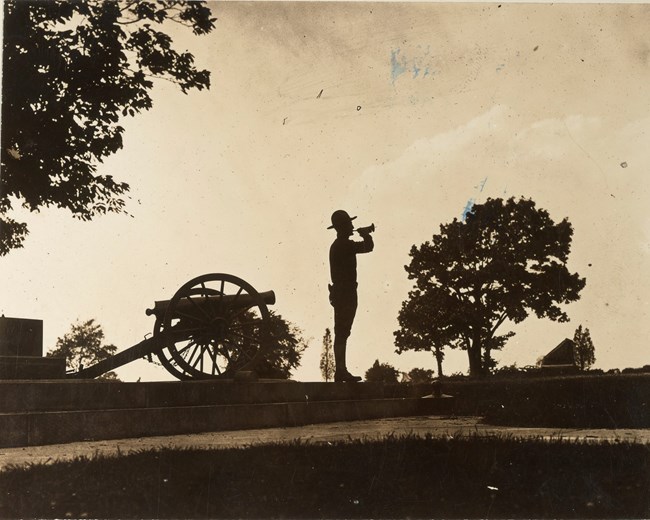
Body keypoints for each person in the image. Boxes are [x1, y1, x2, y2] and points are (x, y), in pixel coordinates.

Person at [327, 209, 374, 382]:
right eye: (349, 224)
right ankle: (341, 371)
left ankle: (341, 370)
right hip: (345, 293)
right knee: (342, 332)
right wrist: (366, 235)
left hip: (343, 292)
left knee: (342, 332)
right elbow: (368, 247)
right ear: (343, 227)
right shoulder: (343, 245)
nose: (352, 226)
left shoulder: (340, 245)